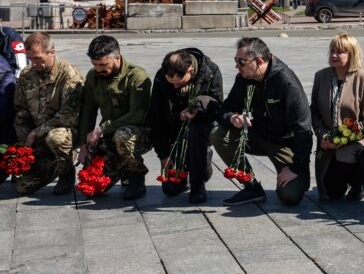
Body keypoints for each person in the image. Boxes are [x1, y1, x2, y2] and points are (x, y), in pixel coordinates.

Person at [214, 37, 313, 207]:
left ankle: (293, 177)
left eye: (241, 61)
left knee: (290, 196)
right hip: (256, 135)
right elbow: (224, 109)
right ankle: (251, 186)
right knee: (217, 135)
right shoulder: (243, 79)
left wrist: (296, 168)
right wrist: (232, 117)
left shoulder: (286, 83)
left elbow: (303, 130)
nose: (237, 66)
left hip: (284, 143)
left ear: (259, 61)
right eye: (235, 60)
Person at [78, 35, 153, 200]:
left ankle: (136, 177)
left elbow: (138, 114)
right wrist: (83, 144)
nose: (98, 69)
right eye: (95, 64)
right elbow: (88, 111)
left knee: (123, 136)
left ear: (117, 57)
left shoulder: (137, 76)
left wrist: (102, 129)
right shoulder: (93, 77)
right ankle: (122, 167)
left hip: (139, 133)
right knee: (93, 186)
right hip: (110, 137)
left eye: (103, 65)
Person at [11, 33, 83, 195]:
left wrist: (37, 132)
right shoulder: (27, 74)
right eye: (30, 59)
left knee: (55, 137)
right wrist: (25, 149)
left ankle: (66, 171)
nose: (34, 63)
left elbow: (69, 116)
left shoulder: (68, 73)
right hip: (38, 138)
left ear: (52, 52)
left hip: (66, 133)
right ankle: (50, 166)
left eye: (38, 58)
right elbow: (21, 111)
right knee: (23, 187)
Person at [311, 33, 364, 202]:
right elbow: (314, 110)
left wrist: (341, 139)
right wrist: (323, 135)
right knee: (332, 193)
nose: (334, 55)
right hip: (327, 141)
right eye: (332, 51)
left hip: (355, 140)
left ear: (352, 54)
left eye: (340, 52)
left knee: (349, 156)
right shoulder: (321, 76)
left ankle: (358, 182)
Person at [149, 48, 223, 204]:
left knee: (195, 130)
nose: (175, 87)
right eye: (172, 83)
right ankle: (193, 167)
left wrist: (198, 108)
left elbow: (217, 103)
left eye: (179, 83)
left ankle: (198, 184)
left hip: (200, 127)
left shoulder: (210, 71)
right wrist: (163, 155)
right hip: (175, 132)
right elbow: (156, 117)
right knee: (170, 189)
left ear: (191, 70)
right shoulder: (161, 77)